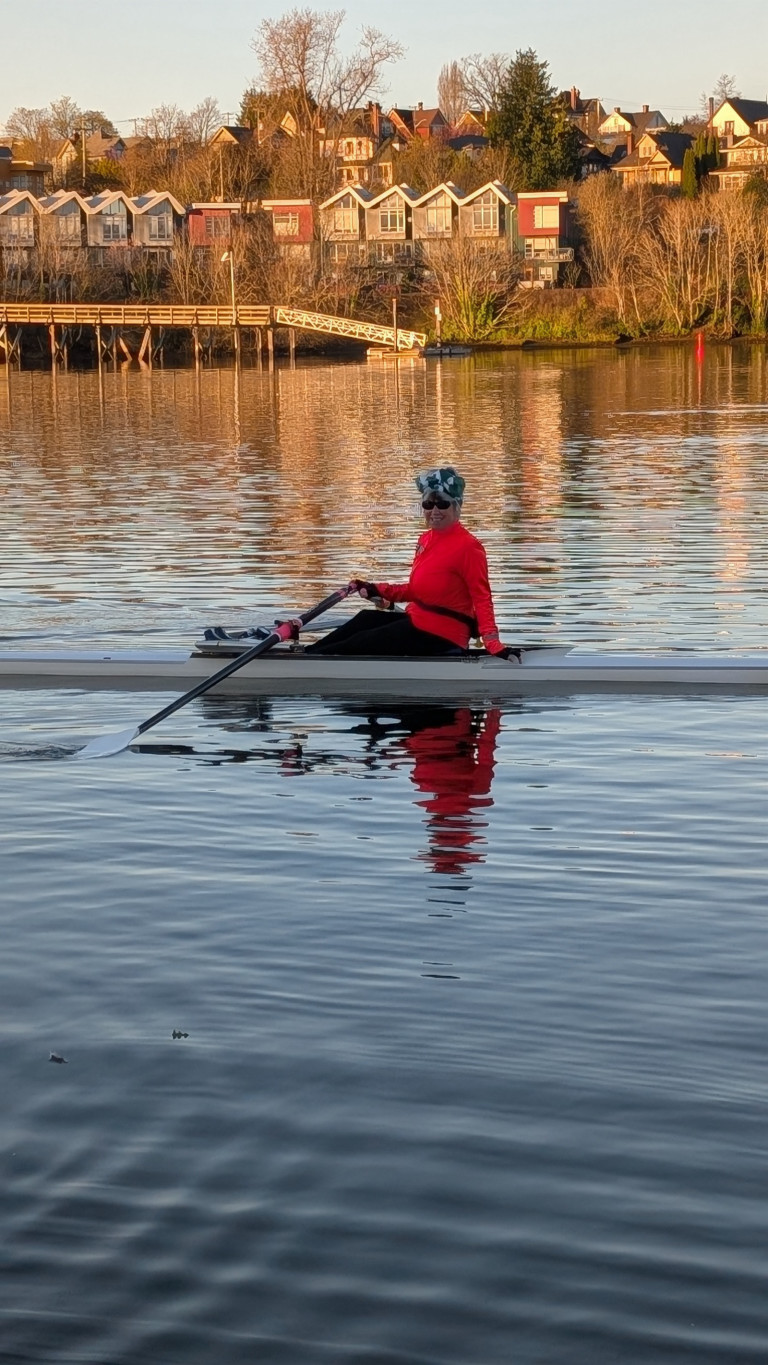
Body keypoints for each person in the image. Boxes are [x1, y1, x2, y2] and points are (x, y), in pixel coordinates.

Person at [305, 466, 516, 658]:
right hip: (417, 622)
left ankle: (314, 661)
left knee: (357, 643)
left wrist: (492, 642)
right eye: (428, 504)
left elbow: (482, 597)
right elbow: (418, 590)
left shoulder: (469, 547)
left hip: (443, 634)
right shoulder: (426, 539)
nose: (434, 511)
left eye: (442, 504)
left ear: (456, 506)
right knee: (364, 619)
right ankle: (309, 655)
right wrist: (377, 589)